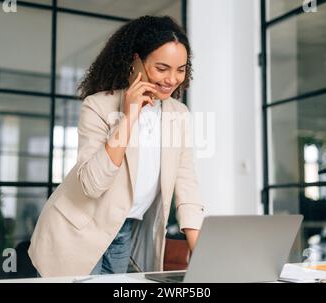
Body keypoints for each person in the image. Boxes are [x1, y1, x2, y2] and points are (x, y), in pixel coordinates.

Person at [28, 15, 204, 277]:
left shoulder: (179, 115)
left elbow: (186, 185)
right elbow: (92, 184)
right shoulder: (98, 106)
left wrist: (201, 255)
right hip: (76, 234)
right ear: (136, 61)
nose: (172, 79)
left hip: (124, 233)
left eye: (180, 69)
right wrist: (129, 116)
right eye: (162, 68)